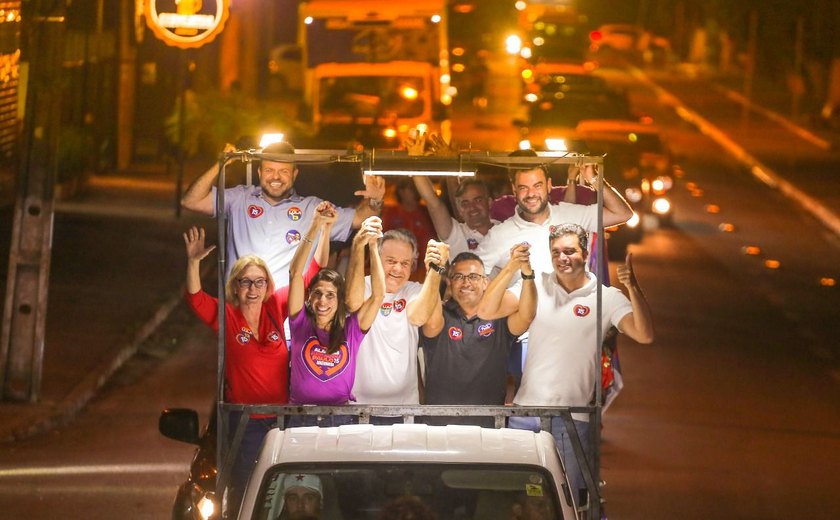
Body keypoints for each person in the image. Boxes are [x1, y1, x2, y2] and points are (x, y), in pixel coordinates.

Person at [484, 223, 654, 504]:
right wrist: (512, 268)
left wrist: (633, 287)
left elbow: (644, 334)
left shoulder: (607, 297)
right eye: (556, 252)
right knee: (516, 501)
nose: (563, 258)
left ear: (585, 253)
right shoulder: (536, 283)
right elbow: (488, 310)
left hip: (571, 421)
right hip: (525, 415)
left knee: (566, 502)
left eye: (570, 251)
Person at [182, 223, 330, 512]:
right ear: (235, 287)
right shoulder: (227, 316)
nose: (253, 289)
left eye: (259, 282)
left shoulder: (275, 306)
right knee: (246, 486)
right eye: (245, 282)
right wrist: (193, 262)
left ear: (267, 287)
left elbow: (309, 274)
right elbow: (196, 299)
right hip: (245, 423)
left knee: (284, 485)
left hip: (282, 420)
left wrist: (322, 228)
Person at [181, 140, 386, 285]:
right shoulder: (239, 198)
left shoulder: (312, 208)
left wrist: (375, 200)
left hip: (290, 323)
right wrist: (220, 164)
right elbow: (191, 201)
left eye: (283, 171)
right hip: (239, 315)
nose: (275, 177)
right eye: (269, 170)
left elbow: (360, 218)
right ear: (260, 173)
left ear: (295, 174)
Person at [286, 208, 386, 425]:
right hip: (300, 416)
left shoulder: (351, 329)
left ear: (340, 300)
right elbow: (295, 273)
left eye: (330, 295)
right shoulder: (299, 322)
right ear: (309, 297)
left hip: (340, 417)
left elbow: (378, 295)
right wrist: (314, 225)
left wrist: (373, 246)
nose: (323, 301)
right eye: (317, 293)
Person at [420, 248, 536, 425]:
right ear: (449, 283)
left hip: (488, 425)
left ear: (486, 283)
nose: (466, 283)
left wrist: (525, 274)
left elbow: (527, 316)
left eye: (473, 277)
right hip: (438, 424)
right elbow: (429, 315)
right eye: (458, 277)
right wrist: (434, 269)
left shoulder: (500, 319)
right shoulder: (438, 314)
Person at [474, 158, 632, 280]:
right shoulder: (498, 235)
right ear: (514, 189)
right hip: (524, 320)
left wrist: (594, 178)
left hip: (573, 317)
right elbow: (471, 273)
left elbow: (623, 214)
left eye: (537, 186)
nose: (531, 194)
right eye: (523, 188)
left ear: (549, 186)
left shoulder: (571, 214)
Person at [347, 229, 449, 410]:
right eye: (391, 261)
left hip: (404, 408)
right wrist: (358, 244)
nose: (397, 269)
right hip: (357, 406)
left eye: (405, 263)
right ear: (376, 259)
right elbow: (352, 304)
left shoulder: (415, 289)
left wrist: (435, 269)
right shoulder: (362, 285)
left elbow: (419, 317)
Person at [381, 178, 436, 280]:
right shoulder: (391, 213)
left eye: (415, 188)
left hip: (423, 269)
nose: (414, 191)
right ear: (400, 191)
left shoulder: (427, 213)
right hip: (396, 269)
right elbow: (381, 241)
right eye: (410, 188)